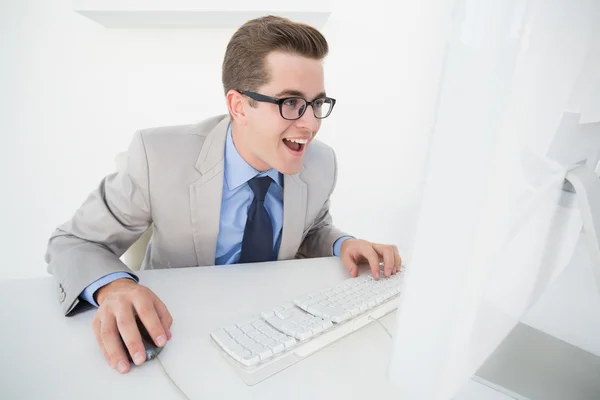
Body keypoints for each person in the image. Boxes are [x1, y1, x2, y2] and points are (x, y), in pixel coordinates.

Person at [45, 15, 402, 374]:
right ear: (238, 106)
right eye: (291, 103)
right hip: (178, 334)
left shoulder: (322, 163)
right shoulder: (159, 157)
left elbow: (311, 228)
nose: (310, 124)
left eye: (316, 103)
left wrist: (342, 244)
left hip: (274, 338)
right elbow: (74, 241)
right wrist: (115, 288)